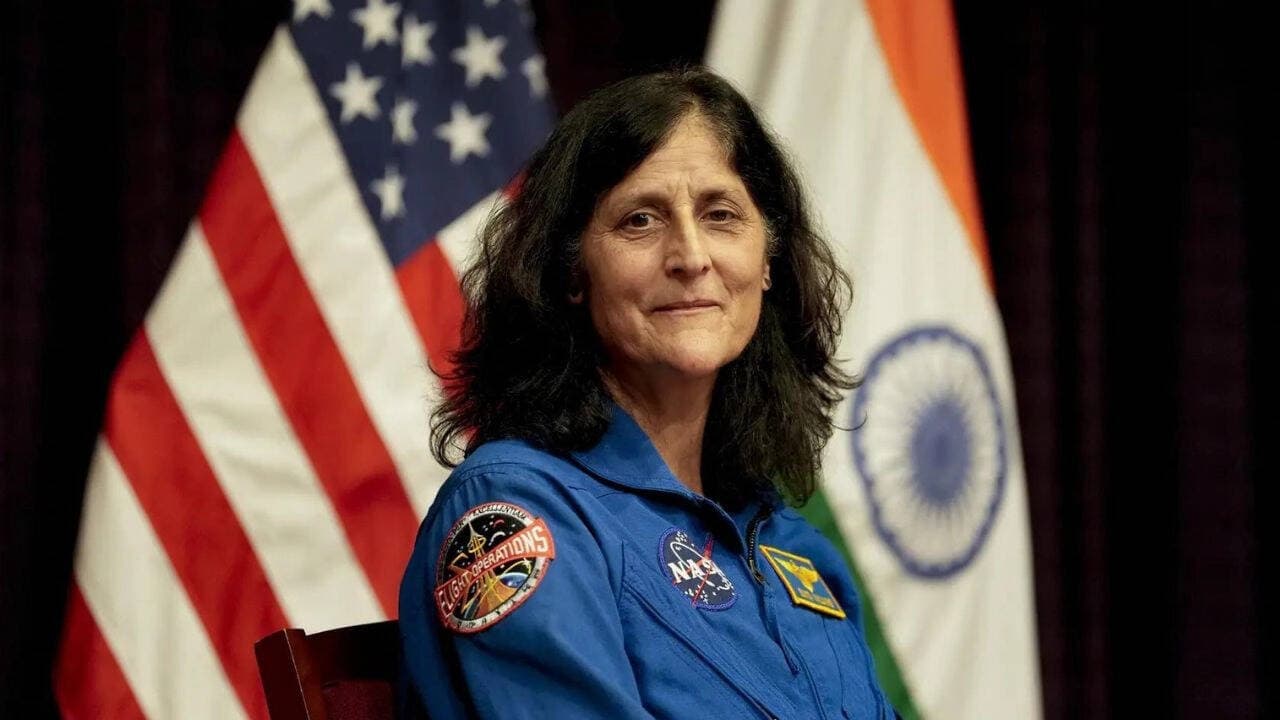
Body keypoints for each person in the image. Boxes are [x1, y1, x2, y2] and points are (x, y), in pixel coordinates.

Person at [399, 67, 895, 719]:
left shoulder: (792, 545)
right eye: (640, 220)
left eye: (721, 216)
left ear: (767, 261)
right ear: (572, 270)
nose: (690, 256)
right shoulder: (514, 513)